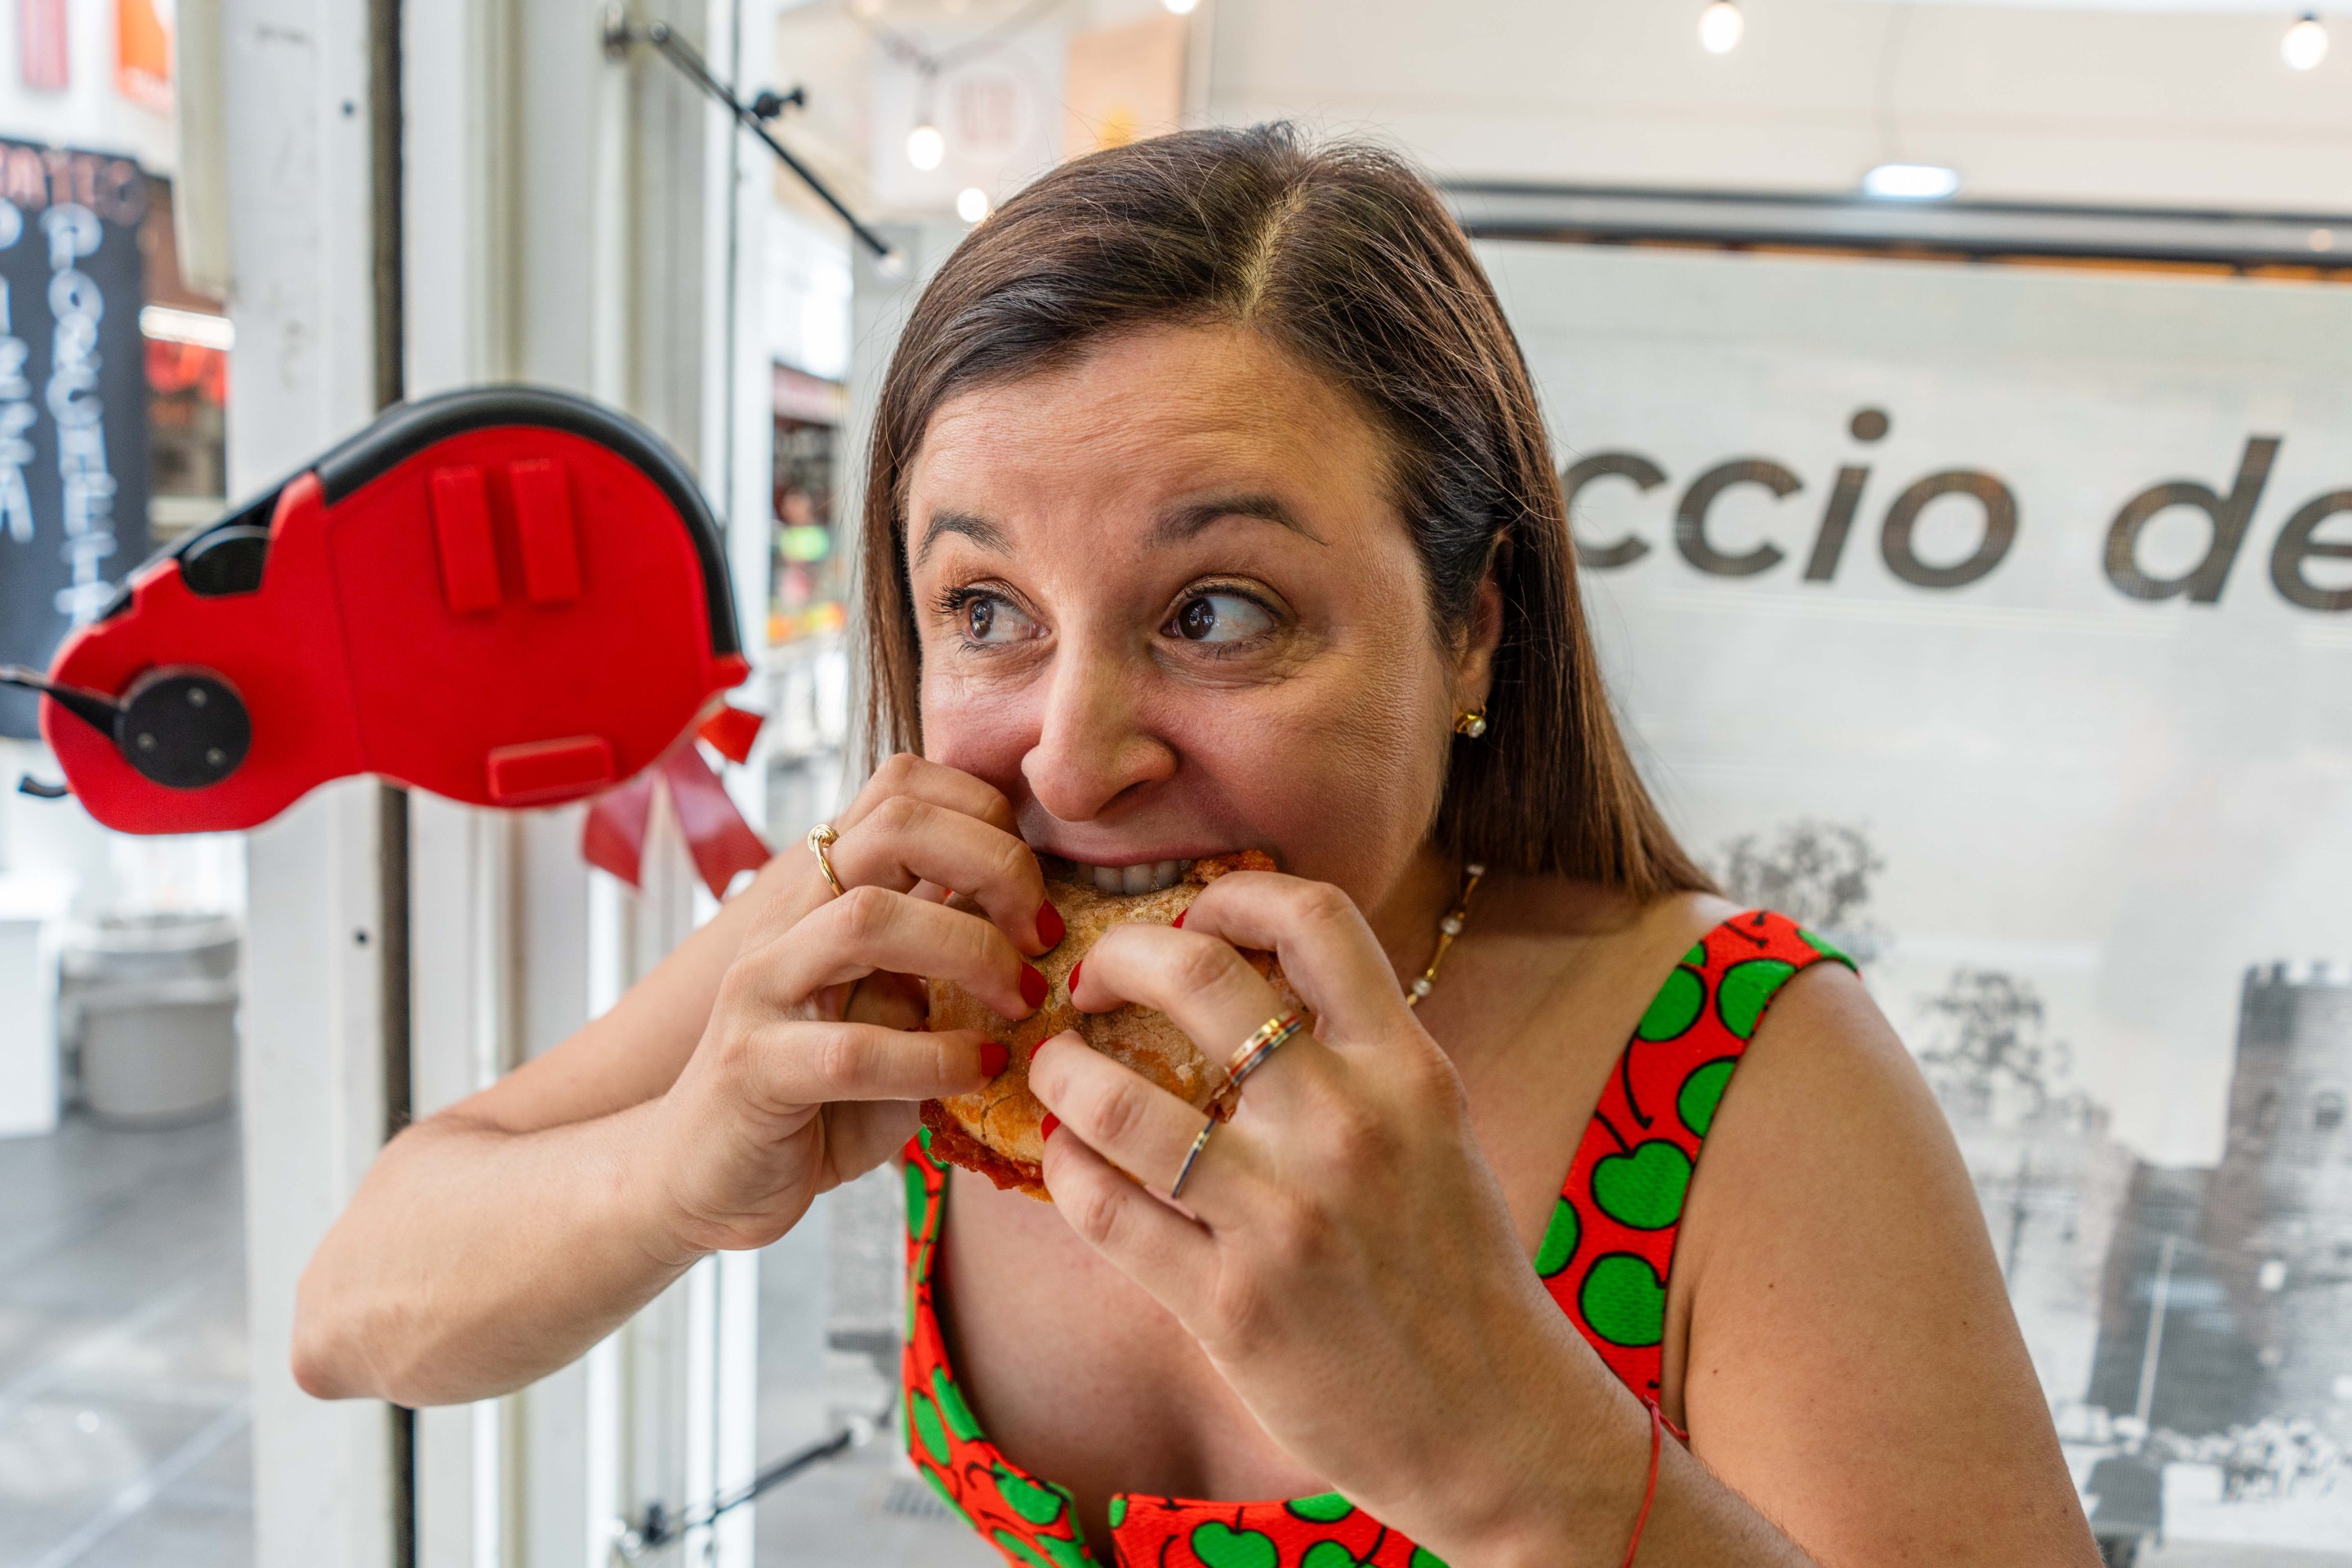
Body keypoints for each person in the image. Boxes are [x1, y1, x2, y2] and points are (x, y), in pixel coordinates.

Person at [295, 126, 2100, 1567]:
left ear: (1473, 631)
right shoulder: (924, 939)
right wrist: (678, 1171)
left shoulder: (1743, 1076)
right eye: (985, 605)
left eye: (1220, 610)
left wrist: (1517, 1469)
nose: (1072, 759)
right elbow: (353, 1316)